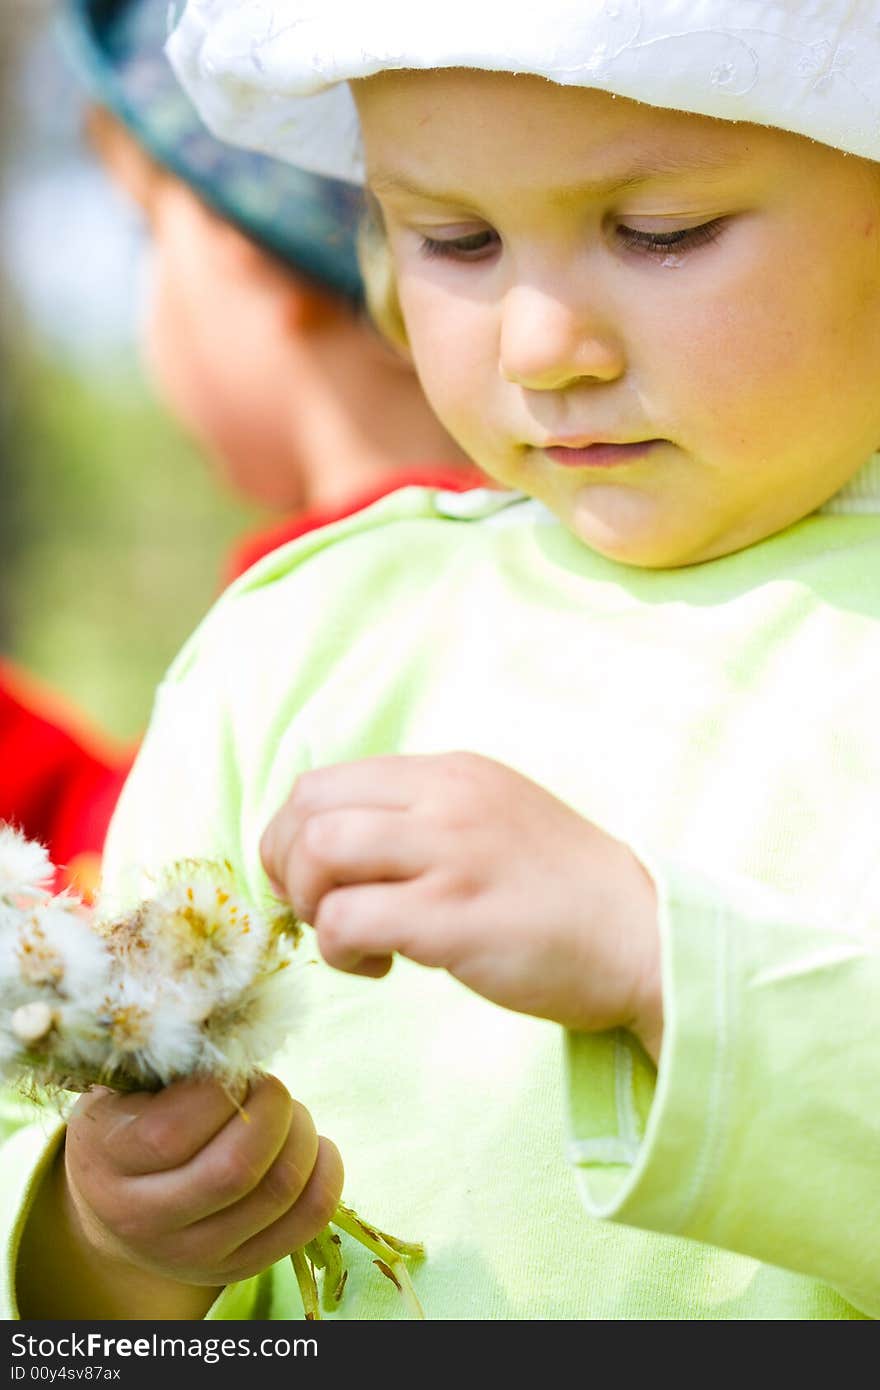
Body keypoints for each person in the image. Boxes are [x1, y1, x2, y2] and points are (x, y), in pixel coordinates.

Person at [6, 0, 880, 1321]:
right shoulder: (299, 638)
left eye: (661, 233)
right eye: (455, 239)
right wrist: (100, 1237)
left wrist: (661, 968)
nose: (542, 346)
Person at [1, 0, 476, 897]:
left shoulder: (341, 612)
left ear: (246, 246)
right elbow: (119, 825)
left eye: (150, 232)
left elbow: (158, 908)